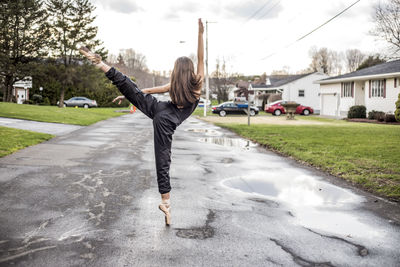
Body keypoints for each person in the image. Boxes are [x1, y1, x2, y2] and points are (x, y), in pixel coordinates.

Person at [79, 19, 204, 226]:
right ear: (189, 70)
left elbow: (151, 91)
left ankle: (101, 64)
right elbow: (201, 57)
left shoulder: (174, 84)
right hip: (167, 120)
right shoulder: (196, 83)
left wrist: (133, 94)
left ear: (176, 70)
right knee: (163, 160)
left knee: (127, 84)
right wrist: (201, 34)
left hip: (158, 109)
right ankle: (166, 203)